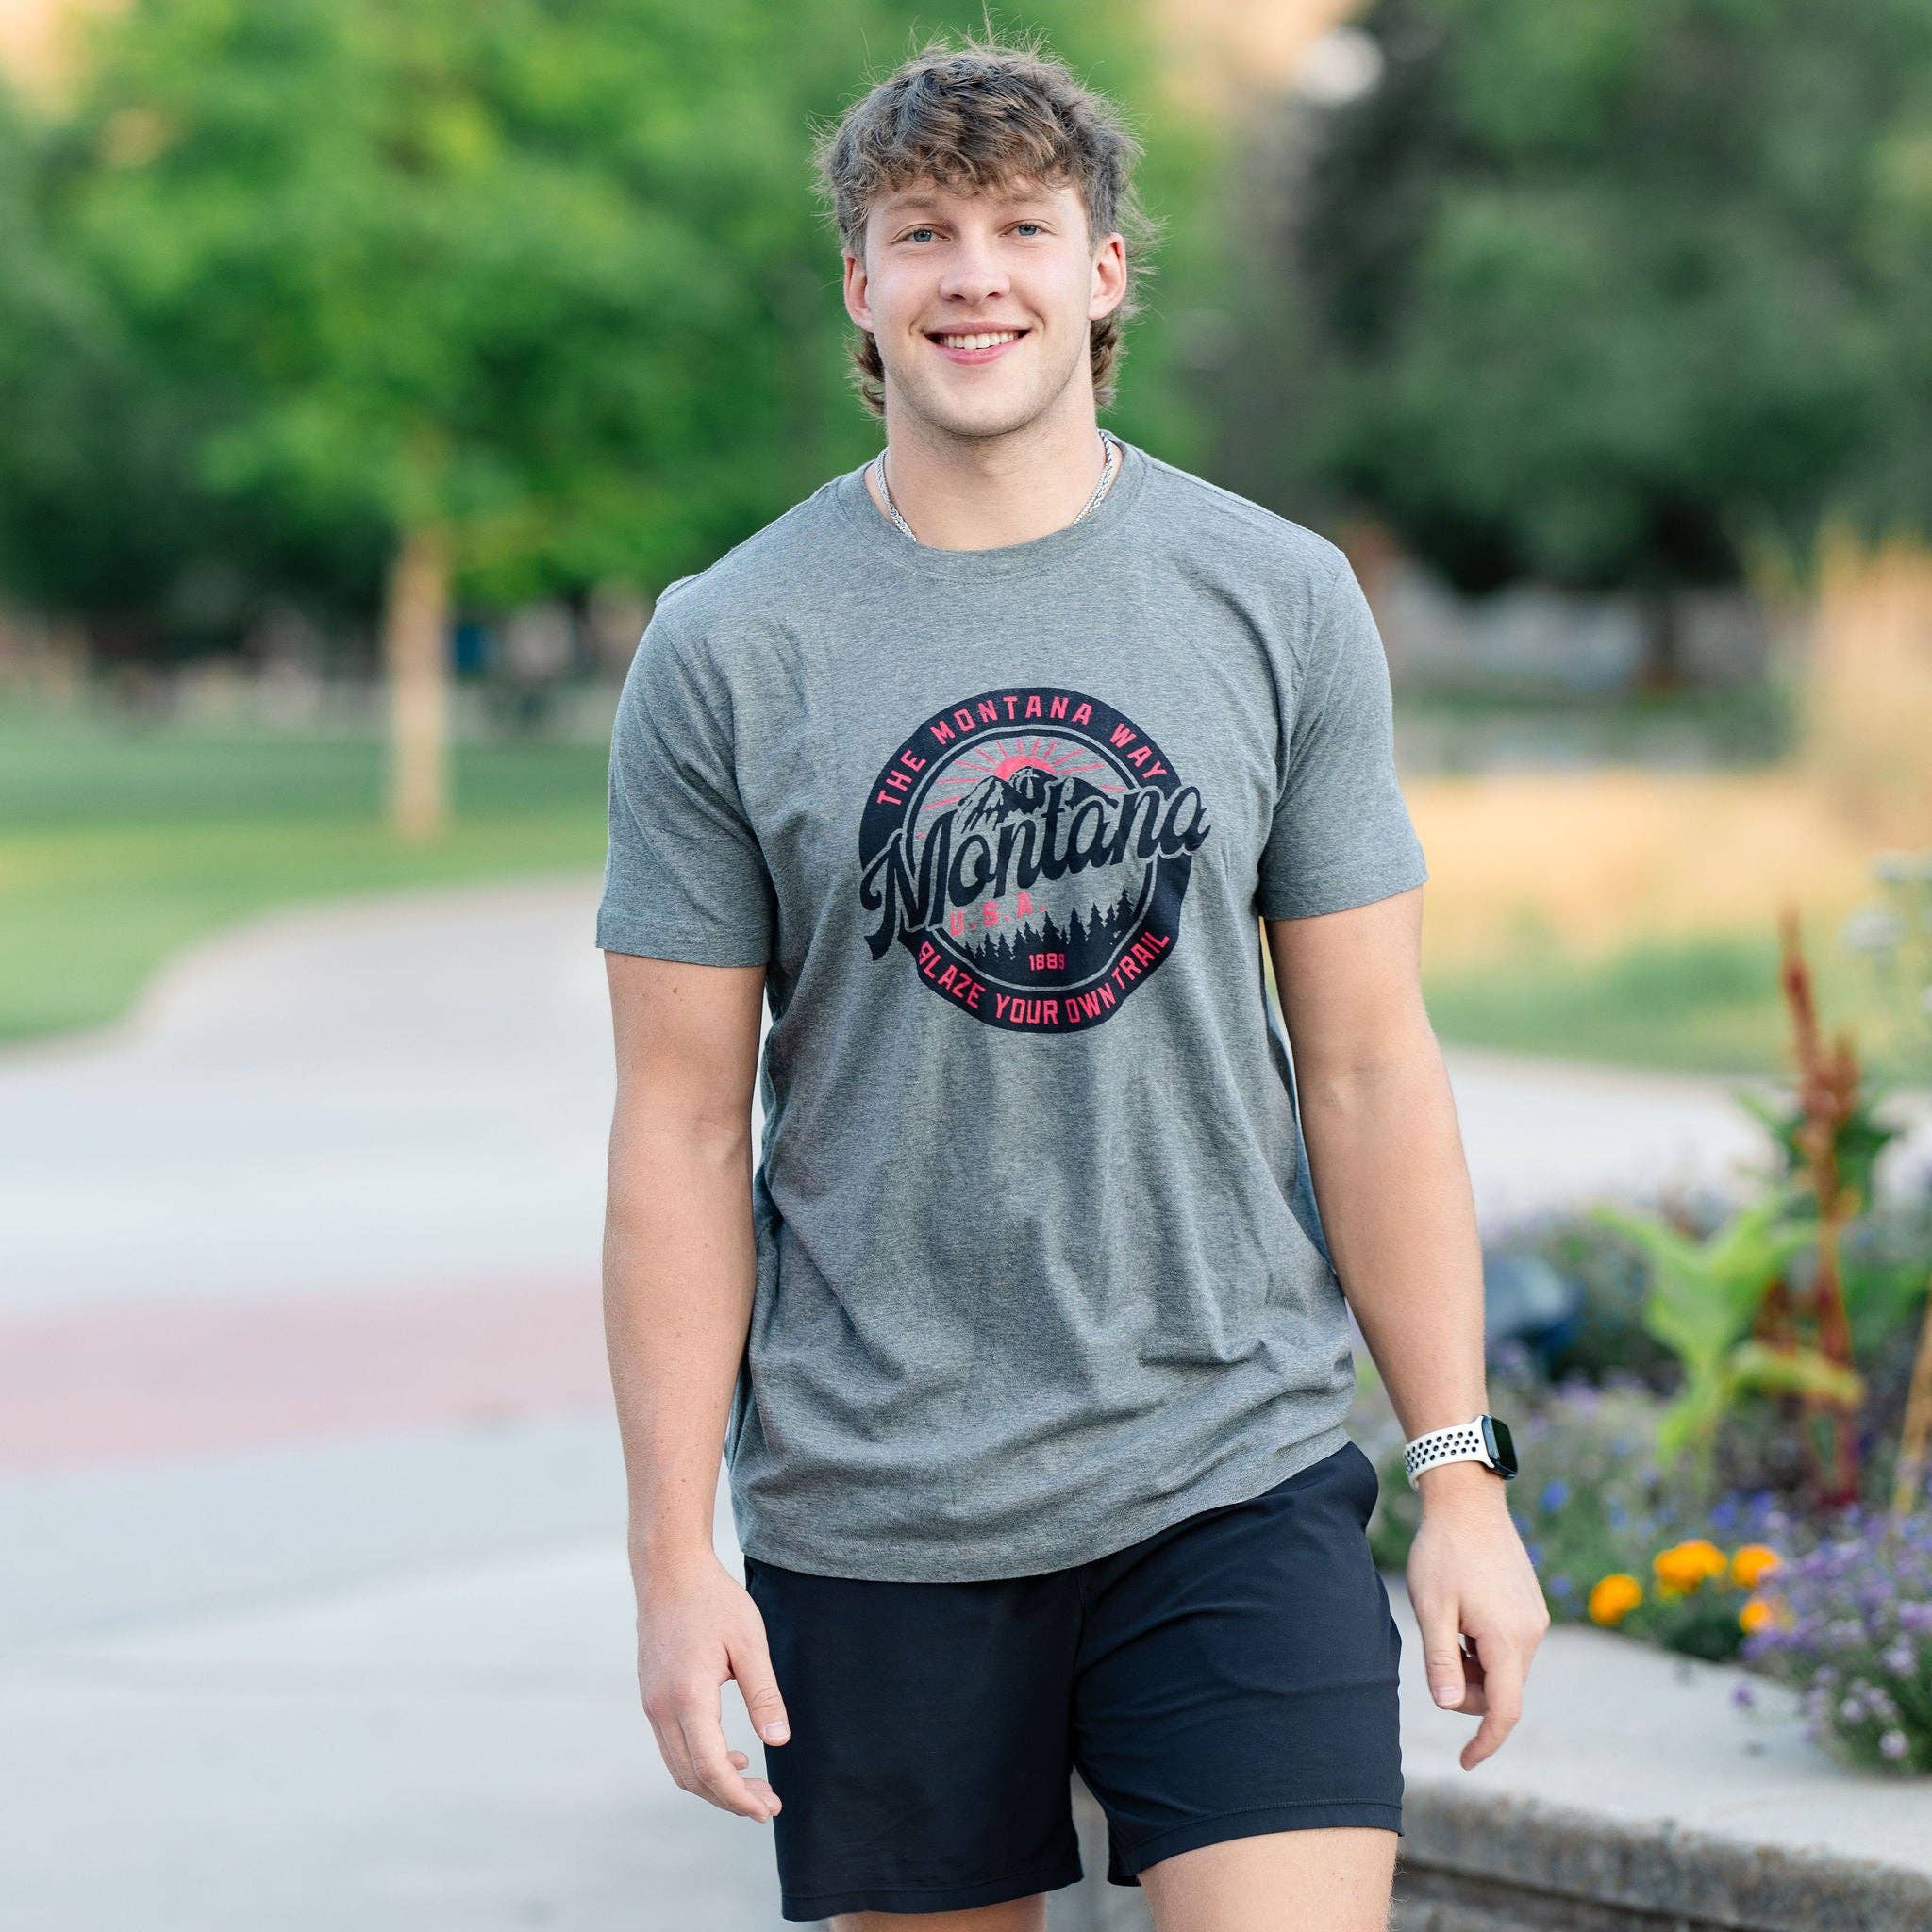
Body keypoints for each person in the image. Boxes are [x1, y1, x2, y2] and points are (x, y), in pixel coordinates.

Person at [596, 29, 1547, 1932]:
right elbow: (682, 1129)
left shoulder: (1274, 597)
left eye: (1022, 227)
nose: (975, 277)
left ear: (1102, 272)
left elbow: (1369, 1065)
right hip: (881, 1503)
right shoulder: (726, 646)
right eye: (921, 232)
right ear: (859, 284)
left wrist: (1460, 1479)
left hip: (1230, 1465)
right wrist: (671, 1559)